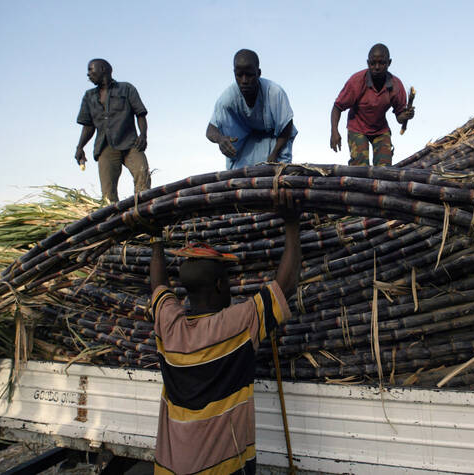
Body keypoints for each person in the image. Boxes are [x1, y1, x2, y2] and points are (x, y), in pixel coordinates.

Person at [148, 192, 301, 474]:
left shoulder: (169, 326)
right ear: (219, 285)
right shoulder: (235, 325)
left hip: (169, 469)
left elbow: (158, 286)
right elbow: (286, 286)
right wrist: (292, 223)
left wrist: (156, 238)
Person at [75, 58, 151, 203]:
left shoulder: (126, 88)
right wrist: (80, 147)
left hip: (130, 143)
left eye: (90, 70)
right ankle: (114, 220)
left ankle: (142, 212)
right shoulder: (89, 96)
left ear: (103, 69)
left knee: (143, 176)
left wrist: (143, 135)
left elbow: (140, 113)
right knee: (108, 194)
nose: (88, 74)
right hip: (105, 146)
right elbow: (88, 126)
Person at [207, 49, 297, 170]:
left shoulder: (275, 93)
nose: (244, 81)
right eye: (239, 75)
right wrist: (220, 139)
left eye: (249, 75)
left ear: (258, 73)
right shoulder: (227, 99)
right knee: (239, 180)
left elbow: (287, 126)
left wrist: (275, 153)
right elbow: (210, 129)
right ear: (234, 73)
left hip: (276, 141)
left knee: (277, 175)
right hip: (246, 144)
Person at [330, 43, 415, 166]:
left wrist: (406, 115)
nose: (377, 67)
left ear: (389, 63)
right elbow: (337, 107)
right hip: (357, 128)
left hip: (380, 129)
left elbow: (400, 117)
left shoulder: (396, 85)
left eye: (382, 63)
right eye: (372, 63)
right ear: (367, 63)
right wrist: (334, 131)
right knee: (360, 167)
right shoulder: (356, 81)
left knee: (384, 169)